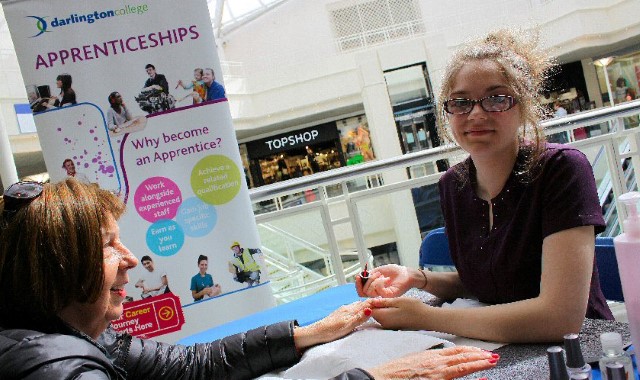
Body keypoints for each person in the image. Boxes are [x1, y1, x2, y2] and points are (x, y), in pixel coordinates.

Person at [0, 179, 499, 379]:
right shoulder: (53, 369)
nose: (130, 259)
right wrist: (379, 376)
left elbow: (189, 367)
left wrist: (309, 333)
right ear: (57, 265)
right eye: (109, 245)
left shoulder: (71, 332)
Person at [356, 29, 613, 344]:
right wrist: (417, 278)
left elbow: (559, 317)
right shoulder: (453, 185)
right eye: (461, 102)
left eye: (496, 98)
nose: (476, 113)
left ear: (524, 105)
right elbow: (495, 282)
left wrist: (425, 316)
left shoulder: (562, 170)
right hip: (495, 347)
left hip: (583, 352)